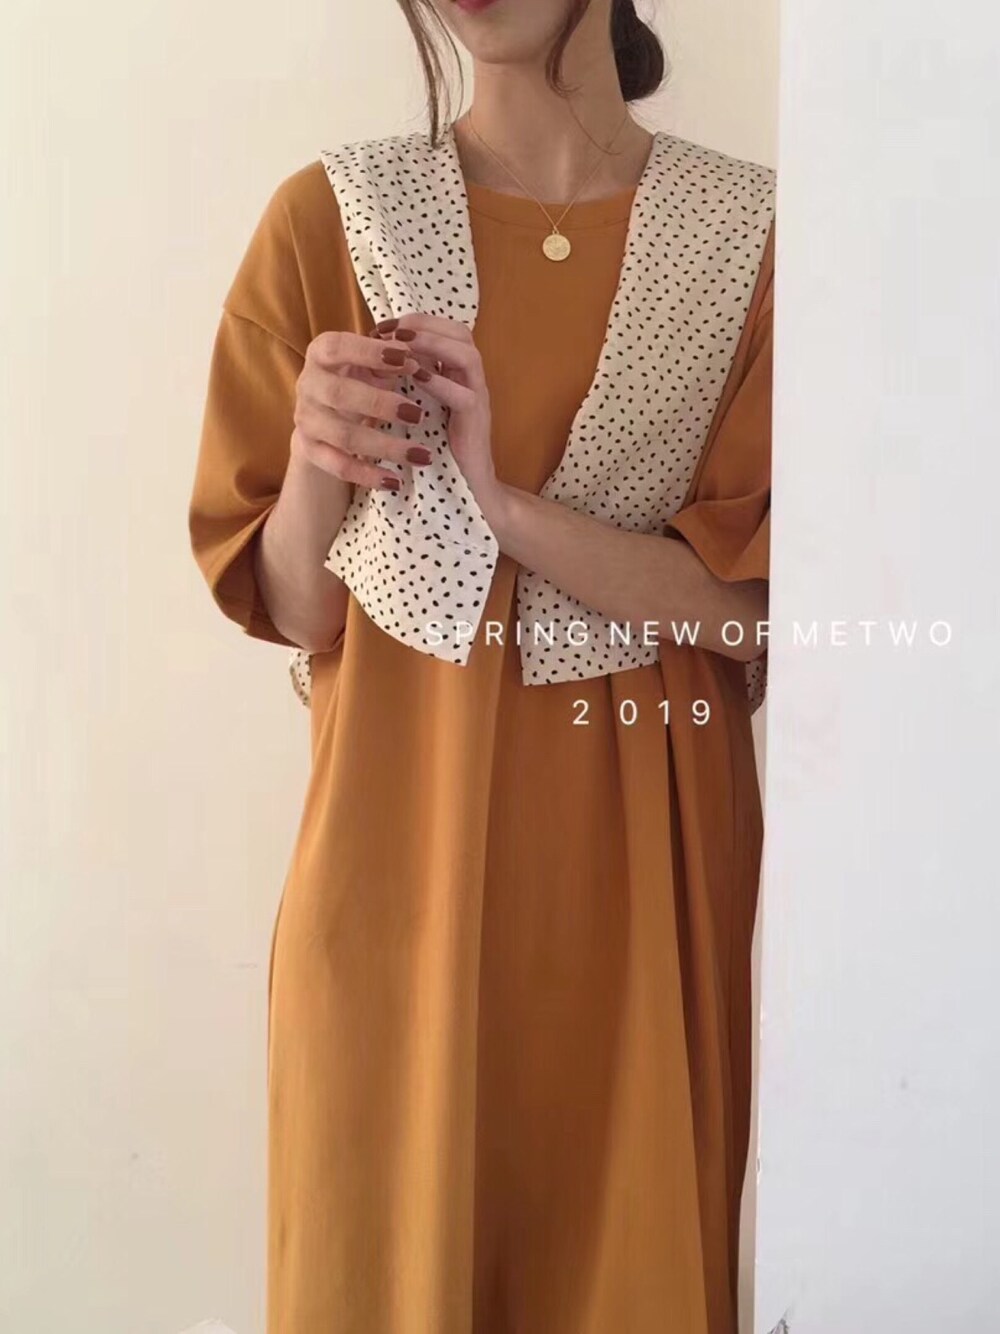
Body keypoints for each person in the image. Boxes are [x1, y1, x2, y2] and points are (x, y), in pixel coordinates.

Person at [188, 1, 775, 1330]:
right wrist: (316, 468)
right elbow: (295, 608)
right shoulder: (329, 220)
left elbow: (754, 607)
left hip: (644, 896)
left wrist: (503, 507)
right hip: (395, 881)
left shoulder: (753, 236)